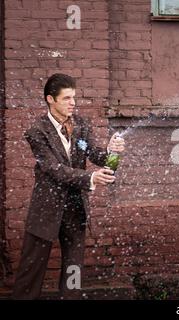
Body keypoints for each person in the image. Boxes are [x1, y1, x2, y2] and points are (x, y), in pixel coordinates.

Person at [12, 73, 125, 299]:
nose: (73, 103)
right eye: (66, 98)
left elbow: (96, 154)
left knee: (73, 270)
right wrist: (90, 178)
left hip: (75, 208)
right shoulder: (37, 132)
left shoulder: (81, 125)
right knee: (31, 271)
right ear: (50, 100)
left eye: (74, 97)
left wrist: (113, 153)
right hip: (46, 209)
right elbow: (54, 169)